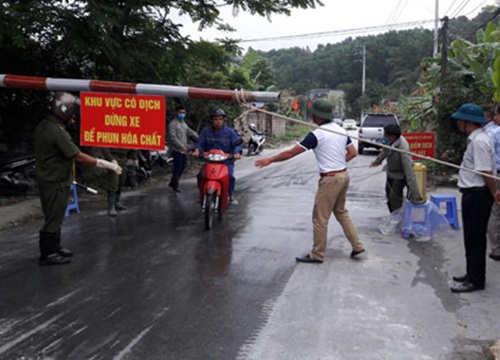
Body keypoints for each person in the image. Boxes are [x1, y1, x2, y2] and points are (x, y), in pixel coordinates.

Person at [255, 99, 365, 263]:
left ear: (319, 116)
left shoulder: (317, 134)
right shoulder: (340, 130)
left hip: (330, 180)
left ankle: (317, 254)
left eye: (314, 114)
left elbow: (291, 153)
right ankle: (357, 246)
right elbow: (352, 153)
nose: (312, 116)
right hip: (343, 176)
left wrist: (270, 159)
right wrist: (337, 164)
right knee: (341, 213)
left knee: (320, 218)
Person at [35, 92, 122, 266]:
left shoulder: (46, 125)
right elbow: (78, 156)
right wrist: (105, 164)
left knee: (56, 215)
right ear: (65, 112)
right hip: (55, 181)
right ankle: (48, 254)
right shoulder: (56, 131)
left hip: (54, 178)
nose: (74, 117)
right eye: (73, 113)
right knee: (53, 218)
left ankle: (55, 247)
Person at [449, 103, 500, 292]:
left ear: (466, 122)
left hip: (477, 194)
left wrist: (494, 191)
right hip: (474, 193)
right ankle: (472, 273)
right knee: (471, 238)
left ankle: (476, 280)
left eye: (460, 120)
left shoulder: (479, 141)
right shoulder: (477, 139)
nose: (458, 123)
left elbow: (486, 171)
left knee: (475, 238)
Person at [192, 108, 242, 205]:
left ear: (223, 120)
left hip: (226, 161)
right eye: (216, 119)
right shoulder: (206, 131)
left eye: (220, 119)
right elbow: (199, 143)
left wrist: (237, 153)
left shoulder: (230, 132)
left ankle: (231, 196)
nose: (218, 122)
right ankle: (201, 195)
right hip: (210, 160)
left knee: (230, 177)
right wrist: (197, 150)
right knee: (200, 176)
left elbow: (237, 144)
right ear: (211, 120)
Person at [370, 124, 423, 213]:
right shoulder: (389, 141)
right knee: (389, 197)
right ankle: (393, 215)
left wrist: (415, 192)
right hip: (391, 173)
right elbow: (385, 151)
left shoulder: (403, 148)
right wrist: (377, 161)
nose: (384, 136)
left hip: (399, 176)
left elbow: (409, 169)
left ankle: (398, 219)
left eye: (386, 135)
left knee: (394, 199)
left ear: (392, 136)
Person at [167, 105, 199, 193]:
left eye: (183, 113)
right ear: (176, 113)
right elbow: (173, 138)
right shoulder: (173, 124)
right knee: (178, 167)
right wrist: (182, 147)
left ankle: (173, 182)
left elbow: (190, 132)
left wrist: (200, 138)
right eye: (180, 112)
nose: (182, 114)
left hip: (184, 150)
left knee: (183, 166)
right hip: (177, 150)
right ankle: (175, 185)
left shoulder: (183, 123)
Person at [487, 105, 500, 261]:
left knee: (496, 211)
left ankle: (497, 249)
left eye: (496, 115)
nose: (495, 118)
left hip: (497, 175)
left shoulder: (493, 134)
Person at [100, 147, 129, 216]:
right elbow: (104, 147)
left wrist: (134, 157)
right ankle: (111, 206)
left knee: (121, 181)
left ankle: (117, 202)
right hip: (113, 158)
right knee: (113, 182)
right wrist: (110, 159)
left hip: (123, 158)